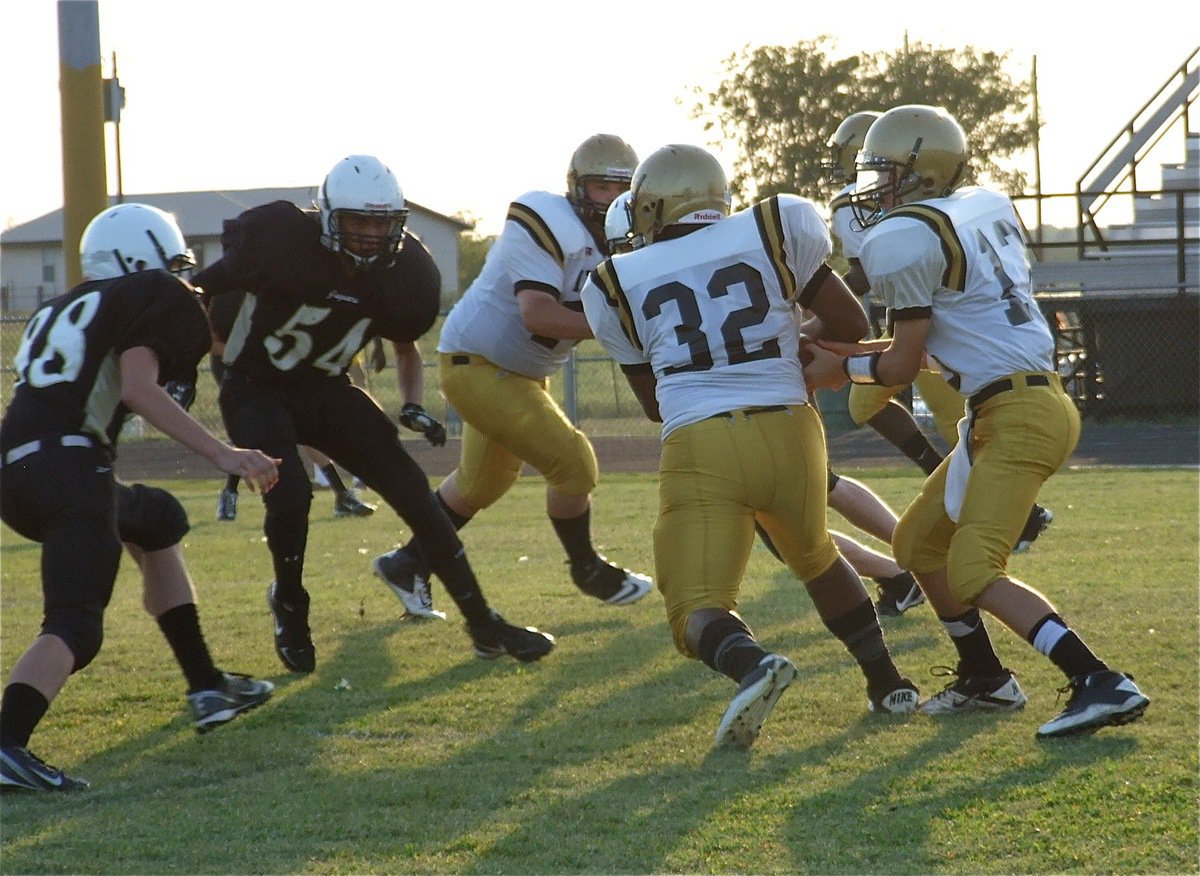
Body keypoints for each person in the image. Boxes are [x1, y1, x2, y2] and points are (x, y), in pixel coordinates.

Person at [811, 104, 1149, 737]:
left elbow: (905, 363)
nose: (872, 188)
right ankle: (986, 678)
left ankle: (1099, 679)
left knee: (973, 569)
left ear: (921, 173)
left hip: (1018, 413)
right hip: (1006, 404)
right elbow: (935, 351)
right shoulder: (974, 211)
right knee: (916, 546)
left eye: (884, 173)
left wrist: (836, 370)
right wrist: (838, 357)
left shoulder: (907, 236)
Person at [581, 144, 919, 751]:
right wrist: (783, 339)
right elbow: (849, 328)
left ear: (653, 205)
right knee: (815, 555)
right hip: (792, 429)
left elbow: (656, 402)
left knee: (696, 611)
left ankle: (752, 664)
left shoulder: (613, 281)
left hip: (703, 440)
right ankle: (888, 681)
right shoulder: (772, 225)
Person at [192, 154, 553, 673]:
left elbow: (405, 345)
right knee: (289, 492)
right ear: (327, 218)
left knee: (412, 491)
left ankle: (482, 622)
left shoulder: (407, 274)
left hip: (326, 388)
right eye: (357, 221)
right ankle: (290, 604)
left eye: (380, 223)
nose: (367, 235)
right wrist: (183, 358)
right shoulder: (278, 238)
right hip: (256, 385)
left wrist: (410, 405)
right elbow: (206, 287)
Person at [0, 204, 280, 792]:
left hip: (19, 468)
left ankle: (206, 683)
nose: (183, 278)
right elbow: (138, 387)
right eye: (174, 263)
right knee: (76, 624)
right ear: (141, 259)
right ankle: (6, 742)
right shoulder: (152, 292)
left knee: (154, 517)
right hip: (69, 465)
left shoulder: (57, 307)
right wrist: (225, 454)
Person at [608, 186, 924, 617]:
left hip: (742, 409)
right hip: (781, 402)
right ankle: (911, 562)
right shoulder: (750, 240)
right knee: (822, 493)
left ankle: (904, 570)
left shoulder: (640, 275)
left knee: (788, 529)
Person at [374, 135, 652, 613]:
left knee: (483, 484)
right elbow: (539, 315)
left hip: (519, 374)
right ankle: (587, 569)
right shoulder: (547, 220)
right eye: (600, 186)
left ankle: (408, 562)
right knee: (575, 463)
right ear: (576, 188)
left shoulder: (631, 241)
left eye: (621, 188)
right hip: (477, 363)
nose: (610, 198)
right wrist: (625, 328)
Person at [824, 110, 1054, 555]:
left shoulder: (906, 228)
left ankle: (1011, 510)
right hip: (955, 335)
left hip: (953, 339)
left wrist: (826, 331)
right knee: (885, 406)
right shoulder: (979, 205)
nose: (860, 176)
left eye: (874, 164)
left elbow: (864, 279)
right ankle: (978, 498)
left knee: (960, 424)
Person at [209, 293, 376, 521]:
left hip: (272, 362)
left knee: (301, 423)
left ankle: (341, 494)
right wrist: (247, 355)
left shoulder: (279, 283)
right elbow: (212, 341)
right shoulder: (230, 291)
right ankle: (229, 494)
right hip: (236, 366)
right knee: (253, 425)